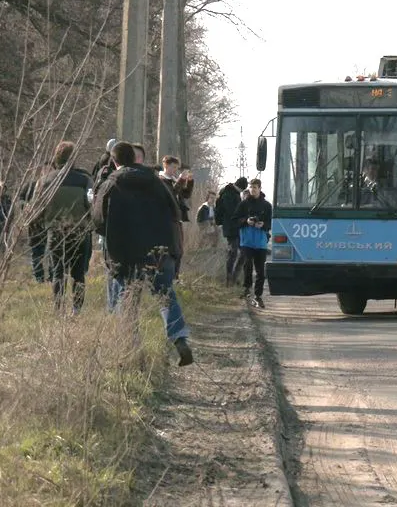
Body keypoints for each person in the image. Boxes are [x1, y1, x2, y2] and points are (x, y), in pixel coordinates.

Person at [92, 141, 193, 367]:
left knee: (127, 301)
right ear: (136, 159)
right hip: (160, 251)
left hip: (125, 253)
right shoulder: (156, 182)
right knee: (165, 295)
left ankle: (132, 353)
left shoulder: (111, 183)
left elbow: (97, 220)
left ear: (115, 161)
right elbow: (175, 213)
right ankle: (179, 339)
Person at [36, 141, 93, 314]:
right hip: (79, 232)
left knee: (58, 272)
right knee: (78, 274)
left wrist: (44, 224)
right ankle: (76, 310)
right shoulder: (85, 180)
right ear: (73, 159)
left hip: (55, 232)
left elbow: (38, 208)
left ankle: (58, 309)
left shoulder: (45, 181)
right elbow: (91, 205)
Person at [234, 178, 272, 307]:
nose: (253, 190)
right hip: (246, 241)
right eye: (251, 187)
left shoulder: (267, 205)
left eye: (255, 187)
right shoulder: (243, 204)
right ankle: (247, 288)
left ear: (260, 188)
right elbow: (235, 220)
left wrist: (262, 225)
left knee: (261, 270)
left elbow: (270, 223)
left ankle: (258, 295)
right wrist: (246, 221)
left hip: (261, 242)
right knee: (247, 265)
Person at [214, 177, 247, 286]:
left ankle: (233, 277)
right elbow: (232, 212)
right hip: (231, 228)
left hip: (234, 228)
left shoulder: (230, 192)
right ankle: (230, 278)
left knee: (241, 253)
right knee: (233, 252)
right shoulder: (229, 194)